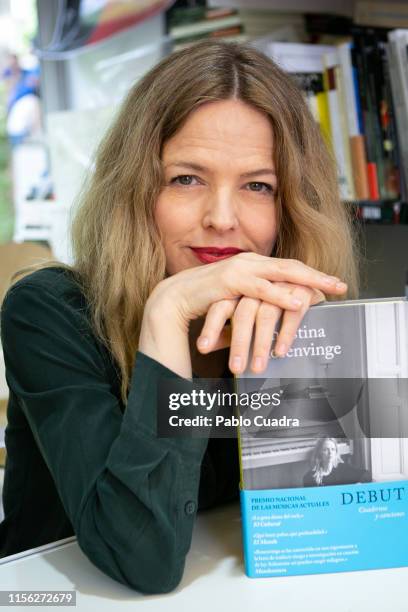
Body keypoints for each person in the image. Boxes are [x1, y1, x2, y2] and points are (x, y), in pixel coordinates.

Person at [0, 40, 357, 593]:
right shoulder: (49, 312)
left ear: (290, 206)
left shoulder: (285, 314)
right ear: (137, 189)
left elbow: (337, 523)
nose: (221, 218)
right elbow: (141, 559)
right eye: (187, 179)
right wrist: (165, 313)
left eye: (258, 186)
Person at [303, 438, 371, 487]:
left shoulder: (343, 468)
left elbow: (366, 474)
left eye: (333, 449)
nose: (330, 453)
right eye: (325, 450)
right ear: (319, 453)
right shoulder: (309, 477)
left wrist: (358, 485)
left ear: (336, 452)